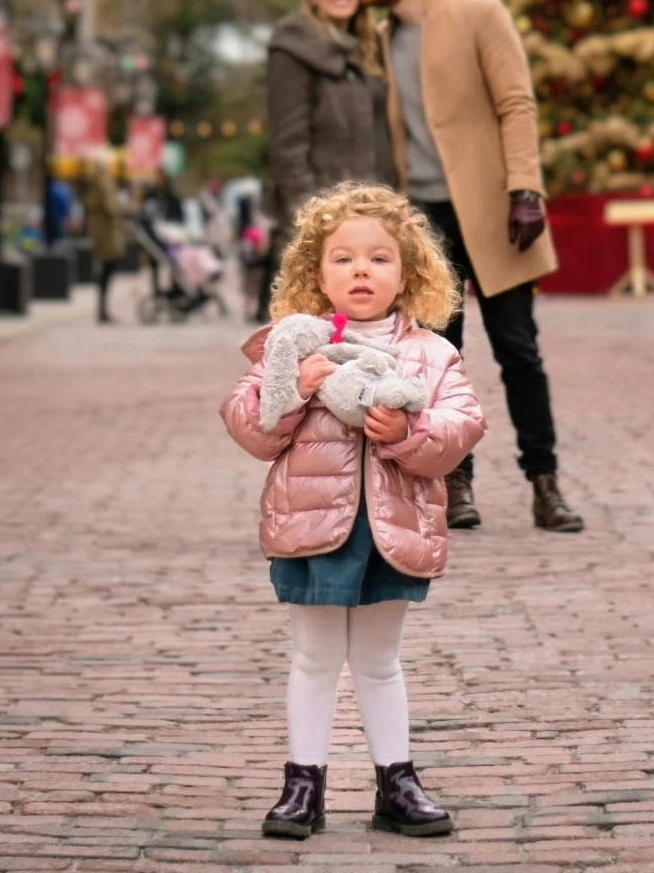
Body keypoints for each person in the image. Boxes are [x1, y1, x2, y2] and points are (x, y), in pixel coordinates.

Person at [221, 183, 486, 840]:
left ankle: (397, 783)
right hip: (313, 525)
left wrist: (407, 431)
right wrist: (294, 390)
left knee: (377, 659)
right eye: (342, 258)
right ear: (317, 275)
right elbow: (248, 423)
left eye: (378, 258)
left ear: (408, 272)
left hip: (389, 529)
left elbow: (461, 427)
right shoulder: (292, 346)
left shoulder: (432, 354)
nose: (360, 270)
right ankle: (301, 786)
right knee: (314, 657)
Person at [358, 0, 584, 535]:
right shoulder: (379, 38)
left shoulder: (481, 15)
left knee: (518, 349)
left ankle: (545, 483)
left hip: (494, 210)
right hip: (422, 221)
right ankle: (456, 482)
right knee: (438, 358)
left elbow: (517, 104)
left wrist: (526, 189)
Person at [261, 0, 396, 317]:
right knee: (317, 324)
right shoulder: (292, 49)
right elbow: (288, 144)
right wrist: (308, 219)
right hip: (322, 213)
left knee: (373, 326)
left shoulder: (370, 49)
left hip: (373, 210)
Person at [84, 152, 127, 324]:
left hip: (100, 232)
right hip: (107, 232)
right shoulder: (103, 181)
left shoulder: (95, 180)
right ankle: (103, 310)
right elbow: (110, 206)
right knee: (107, 270)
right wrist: (124, 209)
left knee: (105, 270)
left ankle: (102, 309)